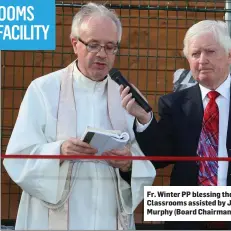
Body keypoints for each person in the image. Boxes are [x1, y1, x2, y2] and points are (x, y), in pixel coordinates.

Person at [120, 20, 231, 230]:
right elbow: (160, 157)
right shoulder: (175, 104)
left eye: (210, 52)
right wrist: (144, 118)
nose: (202, 60)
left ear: (230, 54)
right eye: (195, 54)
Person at [3, 2, 156, 230]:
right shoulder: (44, 89)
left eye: (110, 47)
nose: (102, 54)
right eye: (93, 45)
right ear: (75, 44)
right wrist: (59, 151)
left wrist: (127, 164)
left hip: (108, 214)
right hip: (54, 216)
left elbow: (144, 159)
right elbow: (18, 156)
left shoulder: (125, 96)